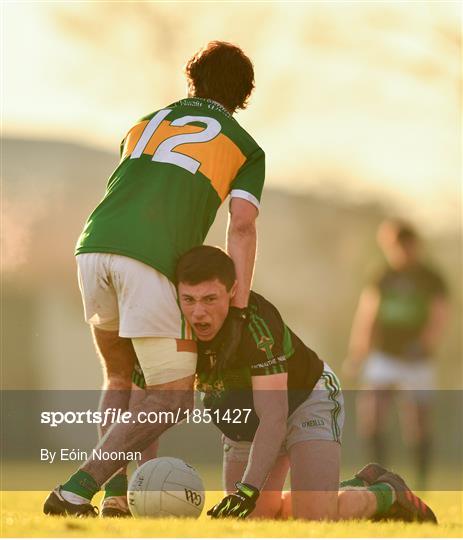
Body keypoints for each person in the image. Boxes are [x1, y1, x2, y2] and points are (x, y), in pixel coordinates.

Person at [43, 41, 265, 517]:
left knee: (120, 376)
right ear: (244, 93)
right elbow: (242, 224)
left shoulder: (142, 123)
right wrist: (237, 304)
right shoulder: (246, 147)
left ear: (193, 81)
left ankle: (117, 499)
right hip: (150, 260)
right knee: (174, 397)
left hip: (93, 246)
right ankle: (76, 488)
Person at [172, 245, 437, 522]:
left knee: (314, 517)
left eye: (210, 298)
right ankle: (333, 491)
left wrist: (248, 489)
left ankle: (388, 493)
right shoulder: (168, 322)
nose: (198, 312)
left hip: (306, 400)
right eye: (188, 300)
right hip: (245, 423)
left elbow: (274, 416)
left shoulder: (256, 324)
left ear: (233, 290)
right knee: (253, 520)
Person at [343, 219, 449, 489]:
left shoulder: (432, 278)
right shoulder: (382, 275)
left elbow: (439, 316)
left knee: (418, 420)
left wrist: (425, 344)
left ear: (414, 246)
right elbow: (368, 315)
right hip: (385, 356)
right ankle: (379, 479)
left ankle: (422, 482)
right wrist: (358, 353)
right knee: (373, 413)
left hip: (417, 359)